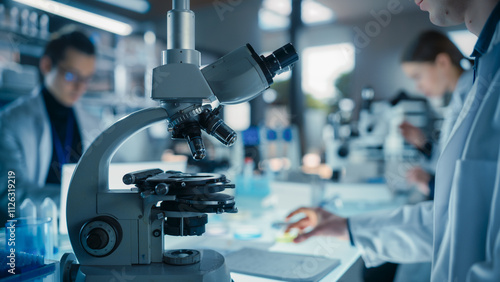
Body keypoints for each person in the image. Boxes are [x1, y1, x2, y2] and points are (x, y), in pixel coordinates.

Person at [285, 0, 500, 281]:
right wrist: (348, 227)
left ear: (442, 62)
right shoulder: (484, 71)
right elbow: (455, 219)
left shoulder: (485, 80)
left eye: (417, 76)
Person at [0, 29, 99, 224]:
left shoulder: (91, 122)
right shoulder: (10, 122)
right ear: (46, 65)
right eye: (72, 76)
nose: (80, 87)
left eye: (86, 79)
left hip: (79, 227)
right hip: (31, 233)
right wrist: (83, 201)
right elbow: (11, 198)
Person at [399, 30, 474, 199]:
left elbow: (472, 172)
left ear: (442, 62)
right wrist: (424, 145)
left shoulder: (472, 95)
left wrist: (431, 185)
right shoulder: (460, 96)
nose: (417, 86)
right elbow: (452, 157)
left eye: (417, 76)